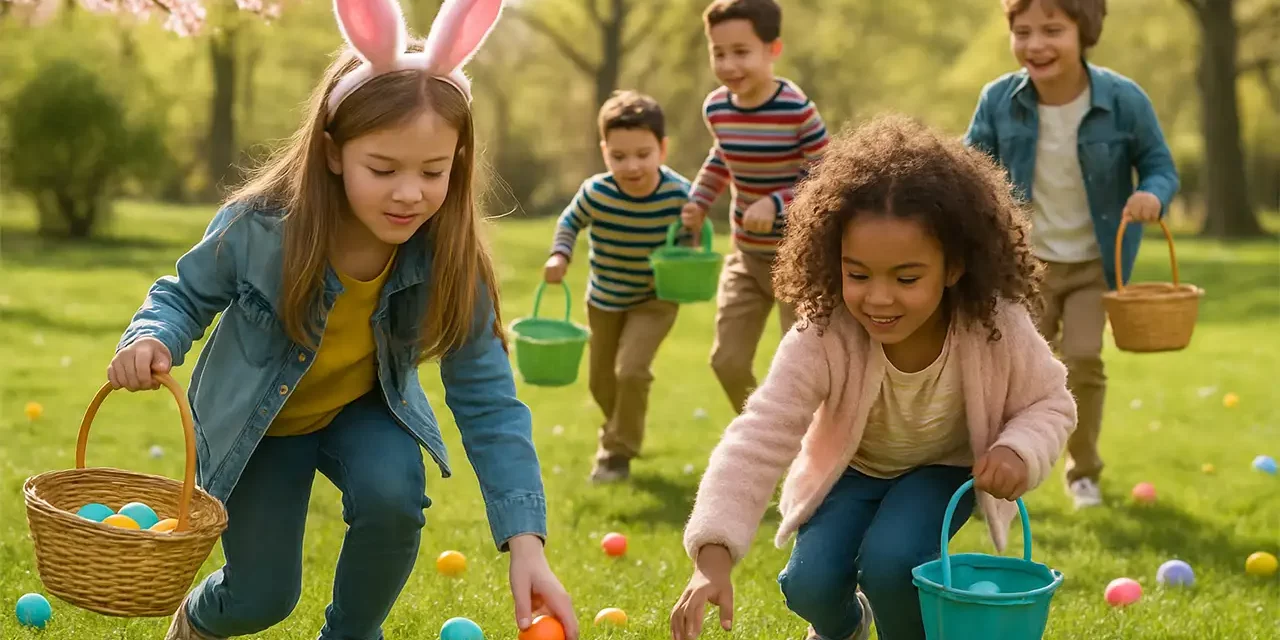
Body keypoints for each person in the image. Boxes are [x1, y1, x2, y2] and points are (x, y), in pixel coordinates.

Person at [107, 1, 578, 638]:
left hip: (361, 409)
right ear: (333, 153)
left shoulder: (448, 256)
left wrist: (526, 541)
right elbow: (184, 294)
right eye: (383, 169)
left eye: (434, 171)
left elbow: (488, 396)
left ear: (458, 160)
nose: (409, 192)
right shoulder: (261, 227)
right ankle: (199, 617)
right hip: (261, 423)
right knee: (261, 600)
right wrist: (152, 336)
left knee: (394, 496)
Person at [669, 115, 1077, 640]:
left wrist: (1018, 451)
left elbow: (1050, 402)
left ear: (954, 267)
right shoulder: (825, 331)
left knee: (893, 564)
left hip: (942, 469)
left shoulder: (993, 323)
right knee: (809, 585)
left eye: (907, 277)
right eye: (857, 274)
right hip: (856, 470)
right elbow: (759, 433)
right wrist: (712, 554)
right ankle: (847, 627)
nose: (879, 298)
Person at [964, 0, 1179, 509]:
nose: (1035, 44)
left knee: (1082, 361)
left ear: (1084, 32)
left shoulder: (1123, 100)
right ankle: (997, 472)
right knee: (1012, 373)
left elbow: (1160, 166)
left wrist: (1152, 194)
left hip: (1093, 265)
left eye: (1052, 30)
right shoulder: (998, 100)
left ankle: (1083, 473)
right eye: (1023, 31)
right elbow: (967, 168)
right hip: (1023, 265)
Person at [680, 0, 830, 413]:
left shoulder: (797, 110)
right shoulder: (717, 108)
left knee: (799, 369)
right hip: (746, 256)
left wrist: (777, 203)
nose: (728, 65)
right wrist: (699, 199)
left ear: (772, 49)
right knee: (726, 361)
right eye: (719, 53)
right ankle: (763, 433)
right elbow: (722, 157)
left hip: (798, 259)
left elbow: (827, 174)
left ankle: (808, 443)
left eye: (741, 52)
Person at [544, 90, 694, 484]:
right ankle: (619, 430)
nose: (632, 166)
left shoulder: (679, 194)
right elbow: (569, 222)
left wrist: (690, 240)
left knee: (631, 371)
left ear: (662, 149)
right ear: (604, 152)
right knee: (600, 381)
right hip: (605, 299)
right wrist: (560, 256)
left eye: (643, 154)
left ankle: (616, 454)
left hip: (654, 299)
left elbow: (690, 241)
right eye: (619, 156)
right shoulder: (597, 192)